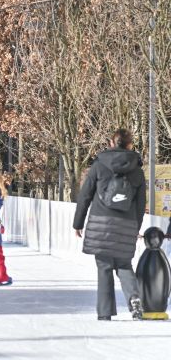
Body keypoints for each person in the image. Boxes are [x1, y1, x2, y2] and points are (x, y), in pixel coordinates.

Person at [73, 128, 145, 321]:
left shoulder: (99, 165)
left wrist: (78, 223)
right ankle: (134, 297)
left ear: (112, 143)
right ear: (130, 145)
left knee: (104, 266)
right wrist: (135, 228)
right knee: (124, 264)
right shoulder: (137, 171)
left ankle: (105, 312)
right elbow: (140, 204)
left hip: (100, 223)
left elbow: (85, 195)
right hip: (126, 223)